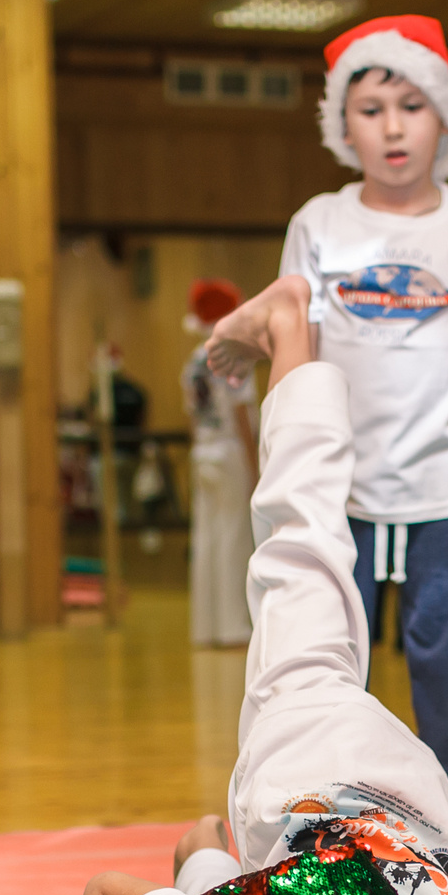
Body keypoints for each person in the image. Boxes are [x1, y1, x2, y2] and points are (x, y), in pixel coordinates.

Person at [0, 281, 448, 895]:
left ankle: (289, 324)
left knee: (307, 534)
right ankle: (290, 327)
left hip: (343, 778)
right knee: (305, 532)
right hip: (345, 772)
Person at [211, 16, 448, 849]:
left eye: (411, 104)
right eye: (371, 106)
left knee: (446, 661)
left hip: (442, 492)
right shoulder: (319, 222)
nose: (391, 124)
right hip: (343, 490)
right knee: (325, 652)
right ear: (340, 124)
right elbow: (297, 343)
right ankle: (325, 800)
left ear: (444, 118)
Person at [182, 277, 257, 649]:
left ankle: (205, 627)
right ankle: (232, 627)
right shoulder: (233, 355)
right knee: (233, 538)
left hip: (202, 450)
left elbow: (191, 414)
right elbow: (242, 414)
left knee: (207, 539)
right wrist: (255, 464)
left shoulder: (194, 361)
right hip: (229, 451)